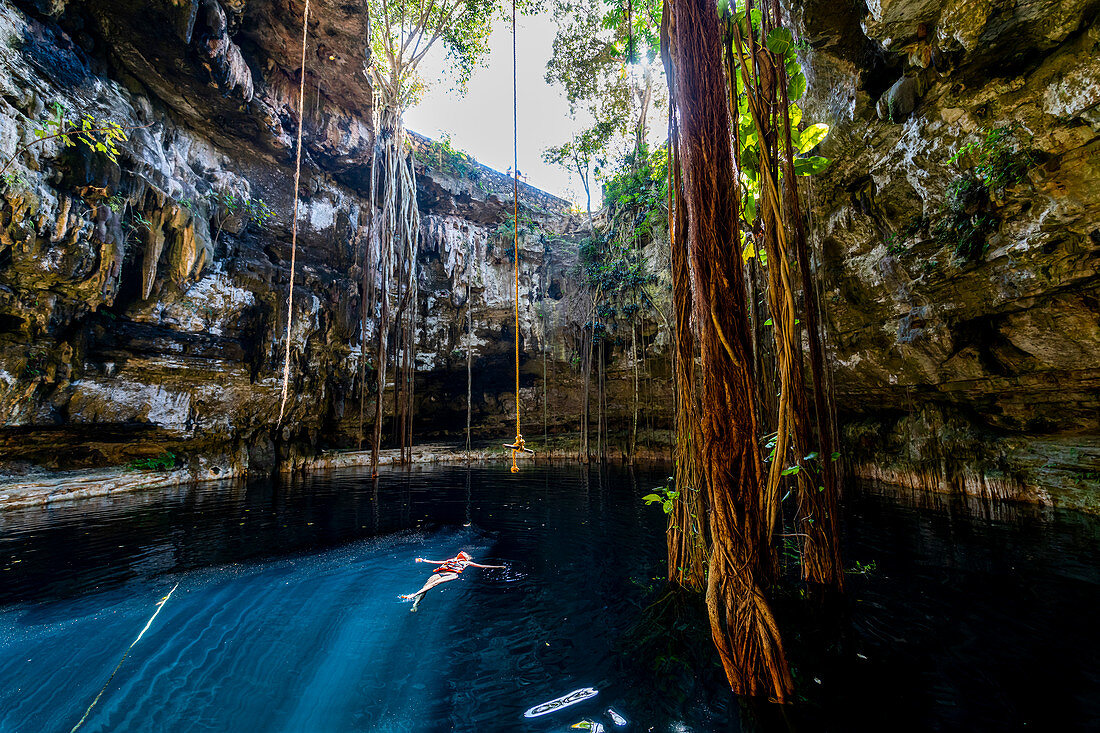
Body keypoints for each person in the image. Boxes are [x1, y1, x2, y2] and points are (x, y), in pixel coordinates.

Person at [400, 551, 504, 611]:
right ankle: (415, 605)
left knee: (435, 583)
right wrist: (423, 560)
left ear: (466, 557)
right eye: (461, 552)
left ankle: (413, 595)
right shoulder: (451, 560)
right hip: (440, 573)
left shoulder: (467, 562)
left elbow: (483, 566)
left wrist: (499, 566)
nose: (462, 552)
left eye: (464, 553)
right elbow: (436, 562)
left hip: (452, 575)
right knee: (425, 587)